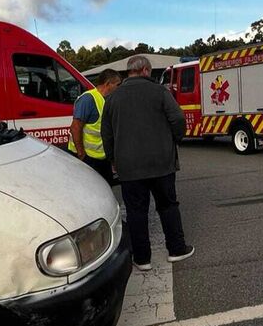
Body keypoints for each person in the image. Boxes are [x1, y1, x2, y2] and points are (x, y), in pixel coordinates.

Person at [102, 55, 194, 271]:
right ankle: (176, 249)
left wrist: (113, 159)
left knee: (136, 212)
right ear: (144, 70)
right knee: (168, 205)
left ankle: (142, 259)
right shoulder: (160, 91)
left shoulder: (112, 98)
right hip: (161, 162)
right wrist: (175, 139)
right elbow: (178, 119)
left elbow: (106, 134)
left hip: (129, 167)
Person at [68, 68, 122, 182]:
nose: (119, 88)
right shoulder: (88, 99)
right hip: (88, 159)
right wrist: (81, 154)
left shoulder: (106, 100)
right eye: (117, 85)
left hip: (102, 158)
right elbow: (75, 127)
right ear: (108, 84)